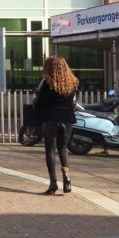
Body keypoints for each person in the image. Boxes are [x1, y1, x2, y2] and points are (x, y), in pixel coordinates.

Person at [34, 56, 78, 196]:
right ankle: (67, 178)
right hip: (67, 119)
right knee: (63, 148)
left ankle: (53, 183)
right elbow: (73, 101)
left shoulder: (47, 83)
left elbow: (40, 102)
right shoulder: (73, 82)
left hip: (51, 119)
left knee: (50, 151)